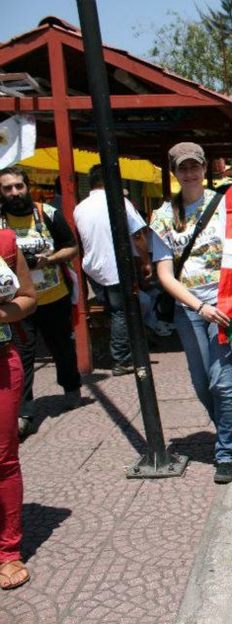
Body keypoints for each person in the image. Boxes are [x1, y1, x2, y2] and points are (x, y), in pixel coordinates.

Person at [149, 142, 232, 485]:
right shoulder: (162, 216)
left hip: (224, 303)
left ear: (205, 169)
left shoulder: (226, 204)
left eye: (195, 166)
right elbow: (164, 274)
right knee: (202, 384)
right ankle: (227, 430)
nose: (190, 173)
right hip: (189, 307)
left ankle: (226, 451)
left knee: (223, 382)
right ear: (175, 172)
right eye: (183, 168)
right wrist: (199, 306)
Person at [0, 166, 82, 436]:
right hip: (17, 303)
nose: (14, 193)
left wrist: (51, 259)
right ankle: (24, 411)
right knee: (23, 355)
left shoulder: (47, 213)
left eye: (18, 186)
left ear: (27, 186)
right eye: (7, 188)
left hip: (53, 296)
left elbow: (72, 247)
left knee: (62, 347)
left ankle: (71, 388)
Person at [74, 164, 152, 376]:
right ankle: (121, 359)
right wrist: (145, 262)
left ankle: (110, 349)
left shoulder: (80, 207)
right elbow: (138, 235)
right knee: (122, 311)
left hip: (93, 269)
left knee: (110, 309)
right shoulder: (119, 202)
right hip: (116, 266)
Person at [0, 227, 37, 589]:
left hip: (1, 362)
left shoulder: (5, 243)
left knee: (3, 457)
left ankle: (8, 550)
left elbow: (28, 298)